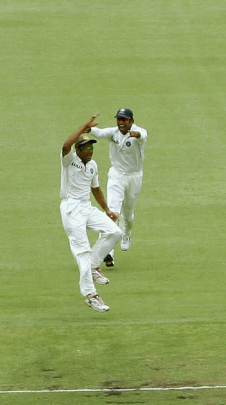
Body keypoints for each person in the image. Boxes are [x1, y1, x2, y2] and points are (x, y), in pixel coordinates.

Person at [59, 114, 122, 312]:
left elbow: (95, 189)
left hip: (86, 207)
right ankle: (91, 295)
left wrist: (107, 210)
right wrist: (84, 126)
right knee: (82, 252)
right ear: (78, 150)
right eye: (86, 148)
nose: (90, 151)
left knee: (114, 232)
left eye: (92, 147)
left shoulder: (93, 165)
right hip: (71, 209)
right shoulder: (69, 160)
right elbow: (65, 146)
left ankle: (95, 266)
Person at [88, 107, 148, 267]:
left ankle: (126, 233)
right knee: (112, 211)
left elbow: (143, 135)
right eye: (119, 119)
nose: (121, 123)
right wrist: (88, 128)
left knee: (128, 213)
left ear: (131, 121)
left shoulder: (138, 132)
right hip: (117, 175)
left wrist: (136, 135)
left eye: (124, 120)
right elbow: (99, 133)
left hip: (134, 177)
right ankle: (108, 251)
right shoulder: (113, 133)